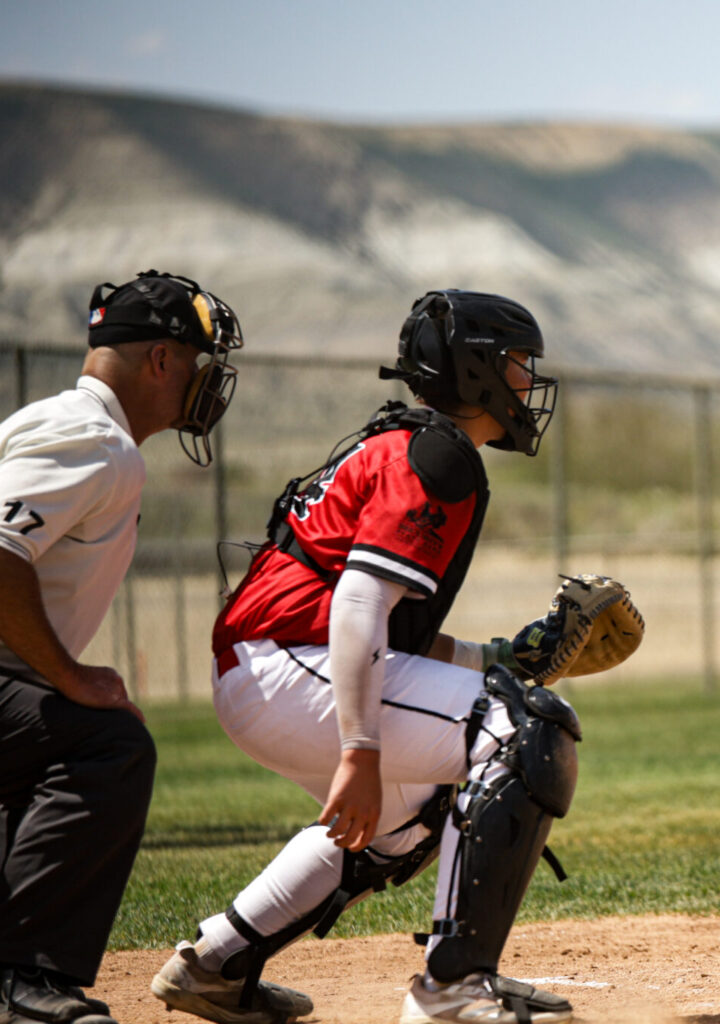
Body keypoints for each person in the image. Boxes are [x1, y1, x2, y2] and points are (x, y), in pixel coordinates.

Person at [150, 290, 586, 1024]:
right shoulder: (435, 454)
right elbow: (356, 606)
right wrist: (360, 749)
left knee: (403, 818)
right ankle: (452, 988)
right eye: (516, 364)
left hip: (271, 666)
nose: (525, 383)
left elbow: (387, 629)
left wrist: (498, 657)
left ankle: (214, 968)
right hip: (290, 662)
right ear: (474, 369)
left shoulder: (407, 443)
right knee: (527, 731)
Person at [0, 271, 243, 1024]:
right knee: (109, 743)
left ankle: (2, 979)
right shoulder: (96, 441)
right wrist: (68, 676)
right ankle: (13, 984)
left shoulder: (62, 424)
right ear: (161, 361)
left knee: (70, 742)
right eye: (196, 366)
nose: (202, 386)